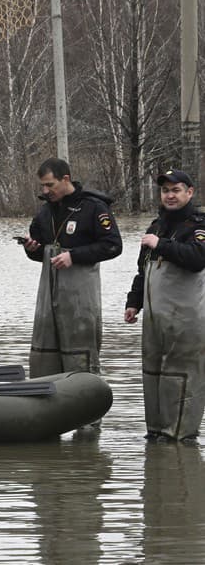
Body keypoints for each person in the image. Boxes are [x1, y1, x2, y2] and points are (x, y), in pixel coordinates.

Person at [19, 158, 122, 379]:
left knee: (80, 365)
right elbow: (39, 253)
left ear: (65, 179)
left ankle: (88, 410)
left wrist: (74, 256)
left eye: (50, 185)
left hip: (80, 304)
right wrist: (31, 248)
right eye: (43, 186)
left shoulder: (93, 207)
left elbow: (113, 246)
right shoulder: (45, 212)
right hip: (48, 303)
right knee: (43, 364)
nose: (46, 191)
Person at [123, 169, 205, 442]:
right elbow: (142, 270)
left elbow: (197, 258)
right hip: (155, 319)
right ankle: (157, 435)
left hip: (186, 319)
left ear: (189, 192)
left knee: (181, 375)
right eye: (165, 190)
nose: (170, 195)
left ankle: (182, 437)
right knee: (153, 374)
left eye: (176, 190)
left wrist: (162, 245)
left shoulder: (199, 225)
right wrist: (133, 303)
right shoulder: (155, 226)